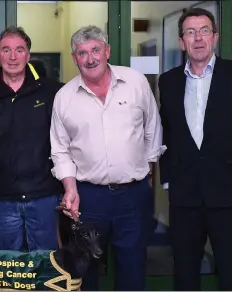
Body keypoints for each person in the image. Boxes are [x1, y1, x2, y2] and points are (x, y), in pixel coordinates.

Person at [158, 8, 232, 290]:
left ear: (216, 37)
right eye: (190, 32)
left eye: (205, 30)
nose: (198, 38)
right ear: (182, 41)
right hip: (185, 198)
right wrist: (169, 179)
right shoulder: (169, 81)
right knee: (184, 275)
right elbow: (167, 132)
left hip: (230, 195)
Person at [50, 25, 164, 291]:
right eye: (82, 53)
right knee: (85, 271)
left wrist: (146, 173)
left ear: (107, 51)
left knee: (133, 267)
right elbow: (60, 149)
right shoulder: (64, 98)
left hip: (133, 195)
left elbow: (153, 130)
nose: (90, 58)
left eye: (95, 50)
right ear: (74, 57)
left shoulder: (135, 82)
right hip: (88, 198)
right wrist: (70, 188)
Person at [0, 26, 65, 252]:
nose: (13, 57)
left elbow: (69, 141)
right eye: (6, 50)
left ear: (28, 55)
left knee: (45, 272)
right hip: (1, 201)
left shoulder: (52, 92)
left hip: (45, 199)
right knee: (6, 272)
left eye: (19, 50)